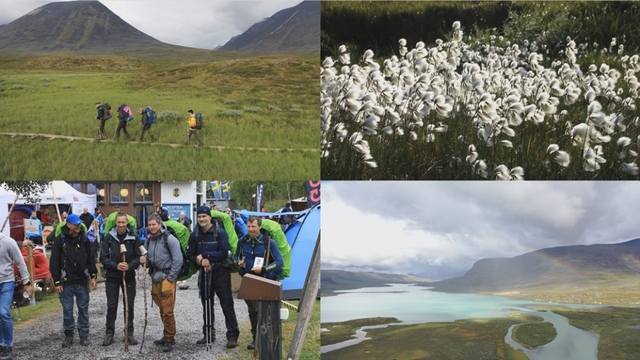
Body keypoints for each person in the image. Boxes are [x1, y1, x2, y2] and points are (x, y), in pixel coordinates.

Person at [187, 206, 239, 348]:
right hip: (204, 273)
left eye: (204, 216)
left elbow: (224, 253)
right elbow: (190, 254)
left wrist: (205, 256)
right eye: (199, 217)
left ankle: (232, 336)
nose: (202, 219)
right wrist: (198, 260)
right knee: (207, 304)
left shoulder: (220, 233)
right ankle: (208, 333)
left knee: (227, 304)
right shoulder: (195, 234)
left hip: (220, 272)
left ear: (210, 217)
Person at [235, 216, 284, 350]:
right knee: (252, 311)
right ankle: (255, 338)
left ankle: (265, 338)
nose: (250, 229)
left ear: (260, 227)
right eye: (248, 226)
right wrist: (239, 262)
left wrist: (263, 269)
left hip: (264, 281)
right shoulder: (243, 241)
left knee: (262, 311)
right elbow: (236, 256)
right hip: (248, 281)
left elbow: (280, 262)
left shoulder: (268, 242)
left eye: (253, 226)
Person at [49, 214, 98, 347]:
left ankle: (84, 335)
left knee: (83, 308)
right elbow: (54, 262)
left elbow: (91, 258)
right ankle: (69, 334)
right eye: (75, 224)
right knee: (67, 310)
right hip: (66, 281)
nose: (78, 226)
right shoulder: (60, 240)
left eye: (79, 224)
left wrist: (93, 276)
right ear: (68, 225)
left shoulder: (84, 239)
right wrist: (57, 281)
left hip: (82, 280)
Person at [99, 212, 143, 347]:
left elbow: (138, 257)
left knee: (129, 306)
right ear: (115, 223)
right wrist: (116, 265)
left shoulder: (134, 238)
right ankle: (109, 334)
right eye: (119, 222)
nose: (121, 225)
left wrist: (129, 266)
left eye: (123, 222)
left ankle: (129, 333)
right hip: (112, 276)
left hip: (129, 277)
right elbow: (103, 258)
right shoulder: (109, 238)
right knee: (112, 306)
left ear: (127, 223)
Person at [145, 213, 182, 353]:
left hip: (166, 277)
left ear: (160, 224)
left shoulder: (170, 239)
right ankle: (166, 335)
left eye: (154, 224)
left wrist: (171, 277)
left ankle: (169, 339)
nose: (152, 227)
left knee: (167, 310)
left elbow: (178, 260)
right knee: (162, 308)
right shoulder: (149, 241)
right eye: (150, 225)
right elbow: (148, 260)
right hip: (155, 277)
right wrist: (145, 262)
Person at [0, 233, 34, 360]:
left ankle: (7, 345)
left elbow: (20, 262)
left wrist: (27, 283)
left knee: (3, 312)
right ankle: (1, 342)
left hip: (6, 282)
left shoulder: (9, 242)